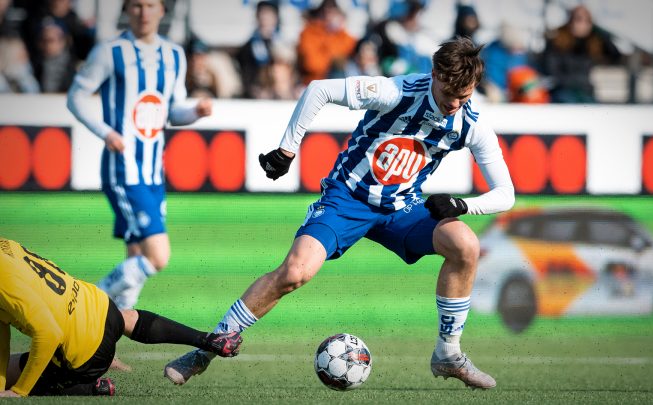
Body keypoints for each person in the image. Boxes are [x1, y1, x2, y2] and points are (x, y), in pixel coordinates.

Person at [165, 36, 514, 390]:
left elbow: (506, 193)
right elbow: (318, 90)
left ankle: (447, 354)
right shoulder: (394, 91)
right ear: (436, 74)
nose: (455, 104)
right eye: (450, 94)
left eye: (464, 96)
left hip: (402, 207)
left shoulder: (471, 124)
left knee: (465, 245)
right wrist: (287, 150)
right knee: (293, 273)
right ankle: (204, 351)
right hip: (347, 199)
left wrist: (462, 205)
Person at [66, 0, 212, 310]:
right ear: (126, 11)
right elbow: (76, 97)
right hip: (124, 169)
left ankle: (107, 343)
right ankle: (82, 307)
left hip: (152, 172)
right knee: (158, 256)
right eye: (136, 6)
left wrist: (196, 112)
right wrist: (106, 132)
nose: (143, 13)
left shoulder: (173, 55)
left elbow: (173, 111)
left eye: (150, 5)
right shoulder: (110, 52)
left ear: (162, 10)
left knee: (135, 258)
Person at [0, 237, 242, 397]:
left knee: (28, 369)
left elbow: (48, 333)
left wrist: (18, 391)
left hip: (85, 354)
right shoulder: (6, 244)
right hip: (102, 307)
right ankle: (208, 339)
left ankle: (88, 387)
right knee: (124, 317)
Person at [541, 5, 621, 103]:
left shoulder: (591, 43)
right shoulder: (556, 42)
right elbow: (552, 71)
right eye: (579, 19)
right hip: (562, 91)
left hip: (585, 92)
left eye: (587, 21)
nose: (583, 24)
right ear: (570, 21)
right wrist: (576, 82)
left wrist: (603, 35)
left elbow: (615, 57)